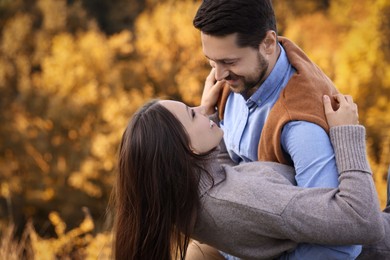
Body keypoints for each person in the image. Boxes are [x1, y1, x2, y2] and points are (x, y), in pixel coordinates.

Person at [112, 94, 389, 260]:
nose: (199, 109)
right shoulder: (246, 200)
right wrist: (347, 133)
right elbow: (363, 221)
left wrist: (208, 112)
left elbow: (217, 177)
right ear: (187, 150)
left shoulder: (187, 195)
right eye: (191, 114)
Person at [193, 0, 360, 258]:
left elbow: (338, 244)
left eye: (229, 61)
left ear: (269, 44)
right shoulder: (234, 81)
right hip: (247, 235)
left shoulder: (301, 126)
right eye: (211, 62)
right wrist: (209, 117)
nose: (219, 75)